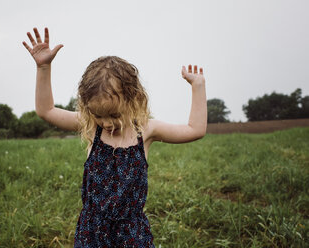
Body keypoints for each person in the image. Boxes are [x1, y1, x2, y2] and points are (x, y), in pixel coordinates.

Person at [23, 27, 207, 247]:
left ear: (134, 99)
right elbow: (47, 110)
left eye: (114, 114)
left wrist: (198, 86)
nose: (106, 123)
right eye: (98, 115)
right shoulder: (92, 127)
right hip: (92, 233)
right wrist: (43, 67)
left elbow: (195, 130)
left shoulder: (146, 130)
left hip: (132, 233)